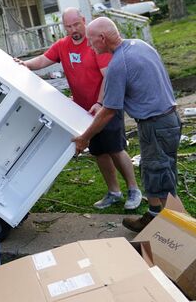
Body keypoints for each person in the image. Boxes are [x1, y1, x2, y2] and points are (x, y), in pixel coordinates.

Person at [15, 8, 142, 210]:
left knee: (115, 148)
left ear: (83, 21)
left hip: (107, 106)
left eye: (77, 24)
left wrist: (100, 103)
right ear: (64, 27)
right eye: (69, 26)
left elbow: (107, 76)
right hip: (84, 112)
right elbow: (43, 60)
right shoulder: (62, 46)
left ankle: (134, 190)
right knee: (99, 151)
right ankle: (114, 192)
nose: (74, 29)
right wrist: (25, 64)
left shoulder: (94, 44)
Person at [73, 17, 181, 232]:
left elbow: (109, 113)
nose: (90, 45)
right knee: (156, 171)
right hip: (170, 119)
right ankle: (154, 215)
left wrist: (85, 137)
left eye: (91, 40)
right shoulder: (140, 45)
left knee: (160, 177)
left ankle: (179, 233)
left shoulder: (117, 64)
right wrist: (101, 103)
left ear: (102, 38)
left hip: (155, 124)